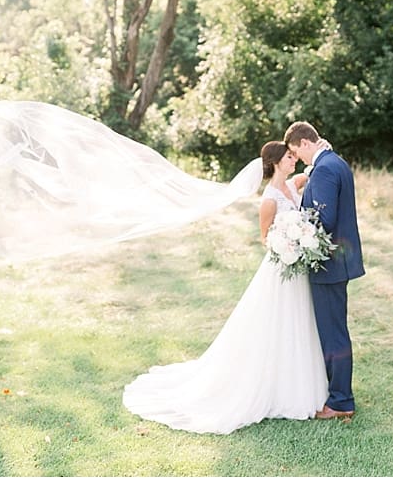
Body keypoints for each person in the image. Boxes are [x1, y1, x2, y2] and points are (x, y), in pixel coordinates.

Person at [123, 140, 329, 434]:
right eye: (289, 156)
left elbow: (309, 173)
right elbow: (265, 238)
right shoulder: (269, 199)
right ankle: (273, 385)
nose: (293, 159)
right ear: (275, 163)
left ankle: (299, 382)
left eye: (294, 155)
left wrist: (321, 152)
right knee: (276, 323)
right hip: (281, 266)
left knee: (299, 321)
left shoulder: (292, 185)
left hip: (297, 269)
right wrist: (289, 244)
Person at [285, 121, 365, 420]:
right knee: (334, 330)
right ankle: (336, 393)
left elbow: (323, 219)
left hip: (329, 264)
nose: (298, 159)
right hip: (336, 262)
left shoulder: (325, 169)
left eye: (297, 152)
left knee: (333, 334)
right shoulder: (334, 162)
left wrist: (295, 229)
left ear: (305, 143)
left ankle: (341, 401)